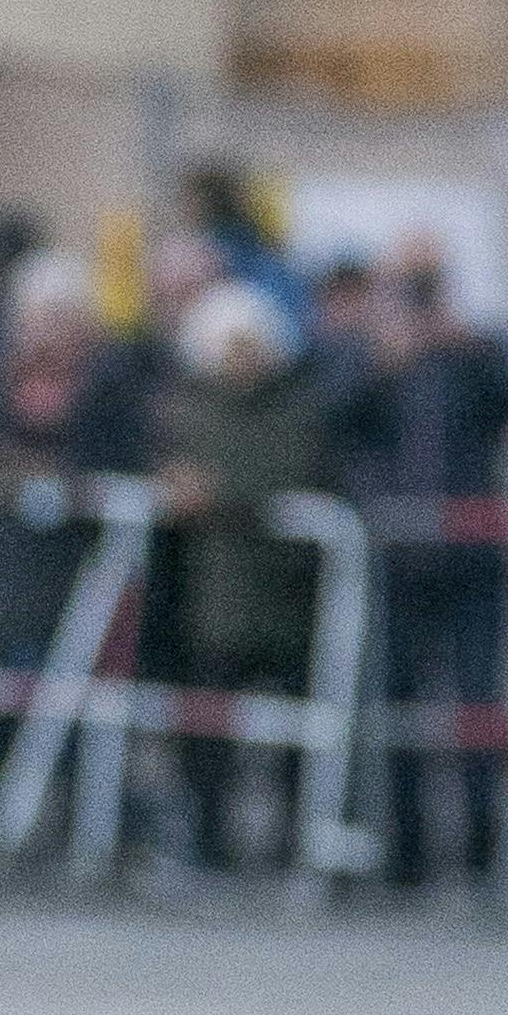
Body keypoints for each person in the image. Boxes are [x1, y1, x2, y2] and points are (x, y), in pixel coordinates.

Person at [0, 253, 144, 856]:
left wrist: (58, 475)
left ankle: (80, 836)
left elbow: (121, 460)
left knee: (74, 715)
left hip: (75, 580)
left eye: (61, 317)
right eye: (39, 317)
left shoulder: (109, 388)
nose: (48, 332)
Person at [349, 239, 508, 890]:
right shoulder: (374, 356)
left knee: (479, 704)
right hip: (401, 561)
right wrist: (382, 358)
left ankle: (482, 847)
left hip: (472, 564)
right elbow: (340, 414)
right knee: (399, 706)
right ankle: (408, 851)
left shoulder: (475, 353)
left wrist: (458, 339)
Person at [145, 278, 337, 874]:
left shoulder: (295, 410)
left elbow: (291, 473)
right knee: (206, 728)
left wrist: (215, 493)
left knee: (294, 735)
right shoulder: (185, 410)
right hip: (210, 596)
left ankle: (292, 842)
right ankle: (206, 841)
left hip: (282, 591)